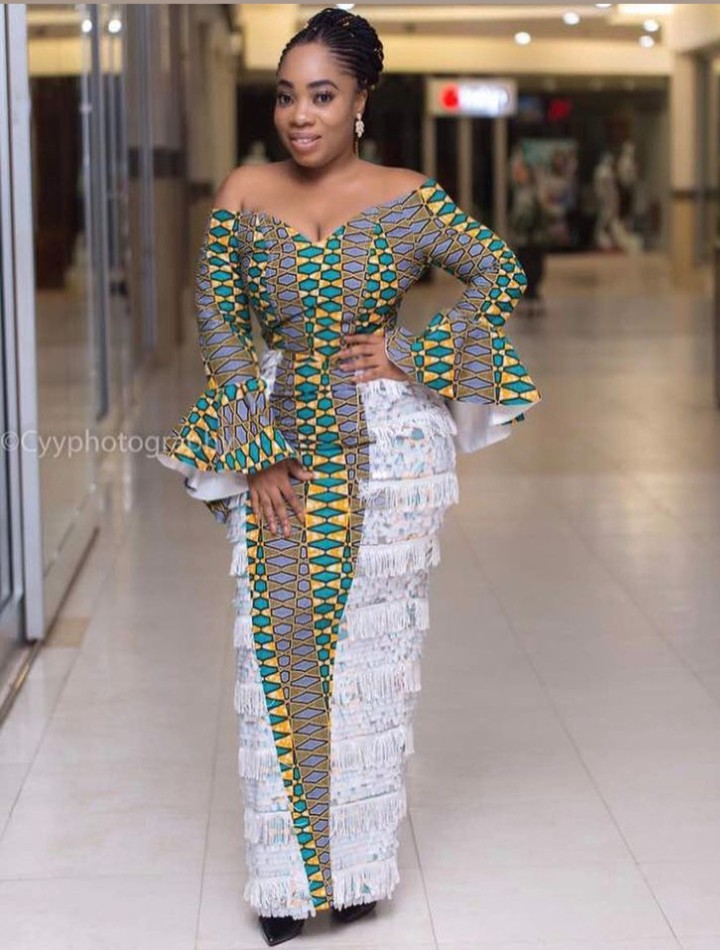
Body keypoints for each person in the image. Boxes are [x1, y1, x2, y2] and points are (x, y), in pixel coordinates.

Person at [157, 7, 541, 946]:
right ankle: (288, 888)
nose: (301, 116)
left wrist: (414, 352)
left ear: (361, 100)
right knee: (278, 652)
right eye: (287, 96)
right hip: (281, 448)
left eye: (323, 96)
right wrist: (254, 449)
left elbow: (499, 271)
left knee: (371, 662)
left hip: (388, 460)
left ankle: (358, 874)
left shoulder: (408, 196)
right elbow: (217, 314)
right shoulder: (246, 190)